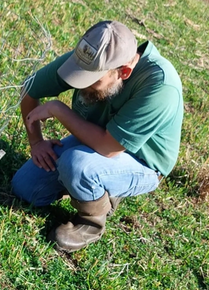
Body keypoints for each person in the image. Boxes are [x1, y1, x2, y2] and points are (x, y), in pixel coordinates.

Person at [11, 20, 183, 252]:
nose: (82, 85)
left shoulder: (160, 86)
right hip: (96, 139)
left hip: (141, 161)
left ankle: (91, 222)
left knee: (78, 165)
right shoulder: (91, 59)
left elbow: (109, 147)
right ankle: (87, 184)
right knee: (26, 187)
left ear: (124, 71)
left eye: (93, 80)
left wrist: (58, 109)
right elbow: (30, 89)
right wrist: (36, 143)